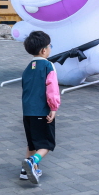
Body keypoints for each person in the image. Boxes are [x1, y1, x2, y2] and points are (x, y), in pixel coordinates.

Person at [19, 30, 60, 185]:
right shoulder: (48, 66)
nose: (50, 48)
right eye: (50, 46)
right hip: (41, 111)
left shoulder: (28, 68)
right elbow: (52, 88)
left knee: (32, 143)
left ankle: (25, 171)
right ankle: (32, 161)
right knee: (46, 144)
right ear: (44, 50)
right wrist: (53, 108)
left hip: (27, 112)